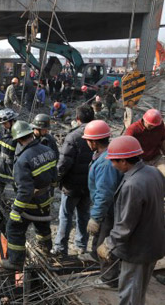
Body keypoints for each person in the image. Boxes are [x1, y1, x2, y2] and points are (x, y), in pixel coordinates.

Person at [98, 136, 165, 305]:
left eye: (114, 161)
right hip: (154, 244)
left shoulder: (132, 185)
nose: (112, 165)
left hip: (137, 249)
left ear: (124, 161)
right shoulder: (153, 172)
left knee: (129, 294)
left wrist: (108, 244)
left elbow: (125, 225)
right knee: (139, 291)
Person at [0, 121, 57, 270]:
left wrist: (16, 210)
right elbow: (55, 177)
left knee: (14, 228)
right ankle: (46, 253)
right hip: (45, 200)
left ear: (18, 139)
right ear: (31, 133)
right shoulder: (48, 150)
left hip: (31, 204)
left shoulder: (22, 160)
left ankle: (15, 262)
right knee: (43, 227)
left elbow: (25, 190)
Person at [77, 120, 122, 289]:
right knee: (99, 237)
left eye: (88, 140)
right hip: (106, 207)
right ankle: (96, 257)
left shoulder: (105, 163)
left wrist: (95, 217)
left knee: (106, 242)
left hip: (109, 209)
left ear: (94, 141)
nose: (87, 142)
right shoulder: (103, 155)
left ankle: (109, 280)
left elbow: (105, 193)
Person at [52, 105, 94, 256]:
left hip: (71, 186)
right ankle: (81, 245)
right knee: (84, 215)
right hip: (89, 185)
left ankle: (60, 248)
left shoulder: (73, 137)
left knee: (65, 215)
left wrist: (56, 179)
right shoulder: (99, 134)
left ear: (77, 119)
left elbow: (63, 164)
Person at [125, 108, 165, 176]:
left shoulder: (159, 126)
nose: (152, 127)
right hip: (140, 161)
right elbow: (126, 148)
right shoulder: (133, 129)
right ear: (144, 120)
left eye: (154, 125)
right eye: (150, 125)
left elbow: (163, 141)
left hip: (155, 157)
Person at [0, 109, 18, 197]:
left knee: (16, 185)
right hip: (2, 163)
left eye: (5, 123)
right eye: (3, 124)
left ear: (12, 122)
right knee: (0, 182)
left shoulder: (18, 134)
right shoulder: (4, 132)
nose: (4, 126)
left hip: (13, 165)